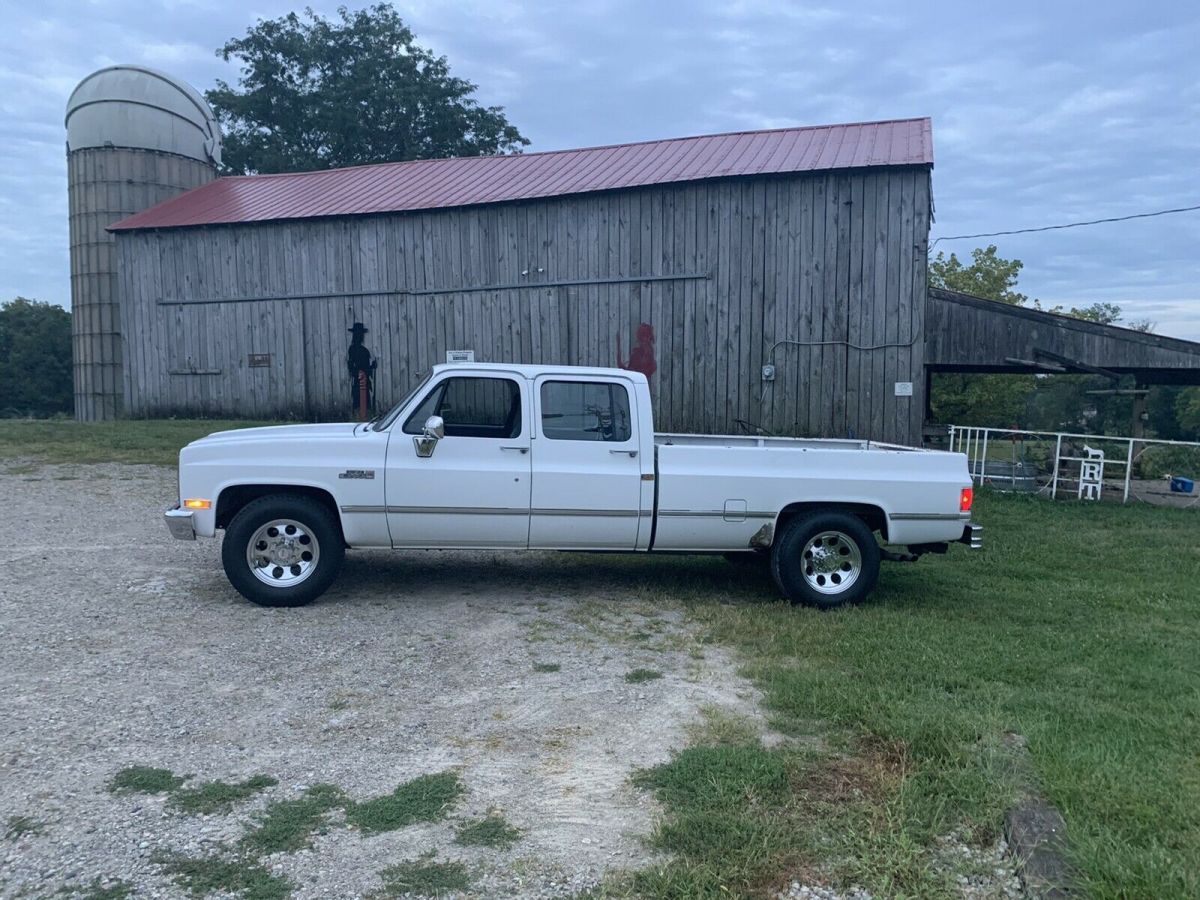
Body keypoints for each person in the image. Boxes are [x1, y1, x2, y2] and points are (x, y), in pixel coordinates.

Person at [346, 322, 376, 415]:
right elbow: (352, 367)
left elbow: (365, 367)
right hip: (359, 381)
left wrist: (371, 367)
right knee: (360, 403)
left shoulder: (362, 350)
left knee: (364, 403)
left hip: (363, 381)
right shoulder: (355, 350)